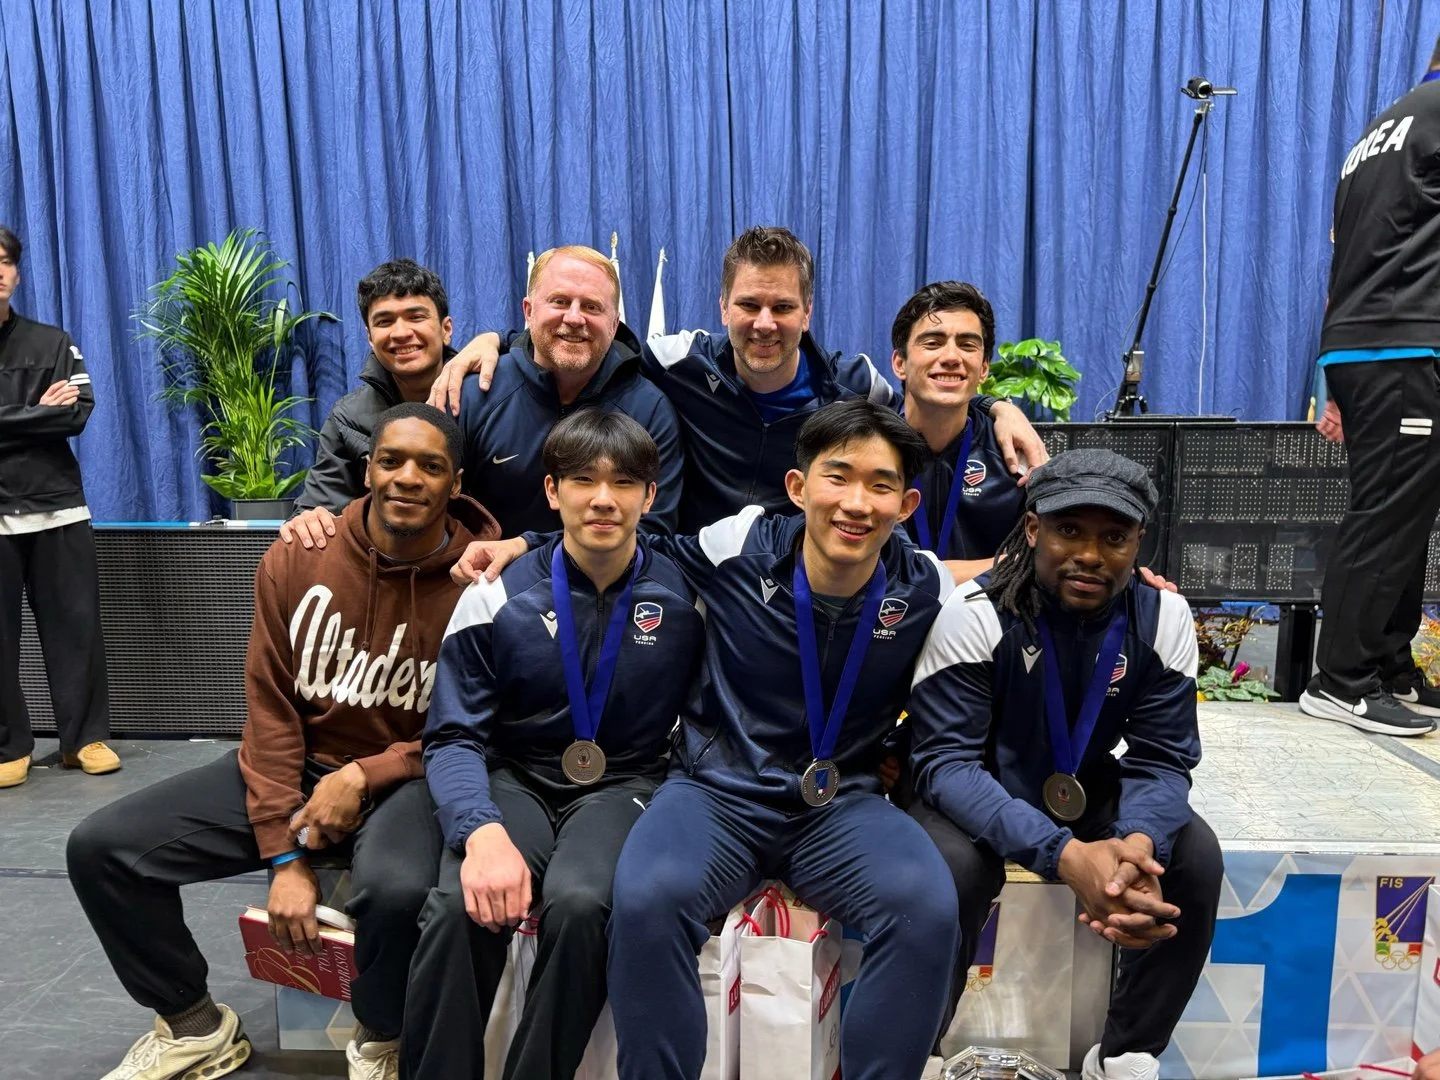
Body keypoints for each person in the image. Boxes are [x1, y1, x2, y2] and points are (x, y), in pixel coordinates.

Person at [454, 401, 957, 1079]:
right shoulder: (738, 545)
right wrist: (523, 546)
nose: (856, 502)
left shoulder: (923, 584)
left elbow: (1006, 588)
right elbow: (627, 545)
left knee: (925, 909)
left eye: (881, 484)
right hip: (717, 794)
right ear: (799, 487)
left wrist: (1137, 584)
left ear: (906, 502)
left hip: (841, 807)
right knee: (647, 900)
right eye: (838, 476)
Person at [66, 403, 500, 1080]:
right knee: (103, 850)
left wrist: (364, 777)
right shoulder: (300, 558)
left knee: (394, 890)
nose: (407, 478)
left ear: (456, 483)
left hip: (408, 781)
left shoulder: (481, 586)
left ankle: (380, 1035)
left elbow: (478, 728)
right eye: (392, 461)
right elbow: (270, 711)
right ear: (367, 470)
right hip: (297, 769)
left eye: (430, 466)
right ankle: (194, 1025)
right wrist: (284, 857)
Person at [403, 409, 705, 1079]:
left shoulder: (687, 594)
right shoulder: (496, 593)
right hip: (517, 776)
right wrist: (478, 831)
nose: (603, 499)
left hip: (628, 784)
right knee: (460, 905)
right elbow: (452, 734)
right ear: (551, 491)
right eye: (583, 481)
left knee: (581, 904)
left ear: (650, 497)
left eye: (625, 482)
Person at [906, 449, 1222, 1080]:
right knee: (951, 869)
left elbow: (1162, 758)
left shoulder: (1162, 617)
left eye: (1114, 538)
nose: (1090, 555)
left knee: (1192, 854)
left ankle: (1128, 1051)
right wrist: (1065, 855)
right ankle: (921, 1050)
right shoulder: (977, 612)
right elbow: (944, 763)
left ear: (1138, 543)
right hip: (975, 784)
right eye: (1069, 531)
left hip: (1080, 780)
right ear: (1032, 530)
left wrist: (1136, 846)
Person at [432, 227, 1048, 533]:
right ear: (723, 305)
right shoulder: (676, 362)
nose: (764, 323)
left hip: (798, 589)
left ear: (807, 313)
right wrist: (498, 344)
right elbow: (581, 339)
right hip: (697, 583)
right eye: (749, 305)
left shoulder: (854, 386)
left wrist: (996, 407)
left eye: (782, 308)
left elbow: (937, 393)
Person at [1299, 39, 1440, 736]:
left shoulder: (1384, 127)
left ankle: (1386, 663)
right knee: (1388, 509)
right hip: (1405, 340)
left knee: (1408, 508)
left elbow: (1355, 249)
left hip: (1368, 341)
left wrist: (1331, 375)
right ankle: (1341, 679)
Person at [0, 224, 118, 788]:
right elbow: (50, 417)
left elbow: (75, 414)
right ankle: (9, 746)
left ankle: (83, 740)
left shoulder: (52, 341)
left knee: (76, 629)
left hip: (58, 508)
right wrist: (34, 413)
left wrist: (32, 416)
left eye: (3, 260)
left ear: (16, 273)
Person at [285, 258, 459, 535]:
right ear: (369, 336)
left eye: (415, 316)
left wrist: (497, 338)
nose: (401, 333)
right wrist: (309, 519)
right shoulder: (348, 418)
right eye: (384, 321)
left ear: (445, 329)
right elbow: (321, 508)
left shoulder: (488, 396)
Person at [891, 280, 1026, 580]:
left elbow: (1043, 557)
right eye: (933, 342)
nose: (952, 357)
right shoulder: (869, 446)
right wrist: (1007, 565)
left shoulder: (1014, 453)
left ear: (984, 368)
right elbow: (875, 570)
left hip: (986, 618)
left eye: (967, 345)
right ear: (899, 363)